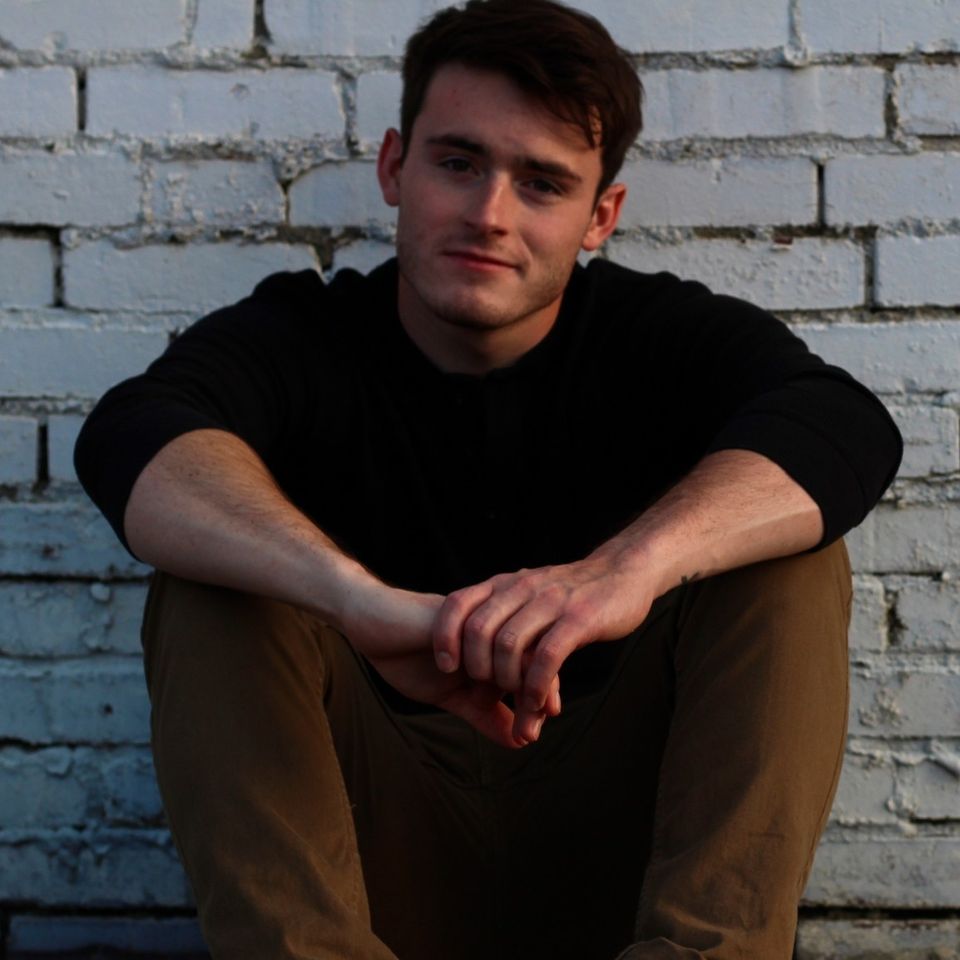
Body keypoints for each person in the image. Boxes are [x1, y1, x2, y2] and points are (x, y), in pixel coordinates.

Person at [75, 1, 902, 958]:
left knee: (790, 561)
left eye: (542, 183)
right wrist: (357, 600)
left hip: (622, 863)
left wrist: (622, 572)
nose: (489, 214)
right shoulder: (302, 337)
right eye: (458, 163)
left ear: (601, 217)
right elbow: (134, 439)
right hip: (371, 862)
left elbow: (843, 425)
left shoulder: (658, 336)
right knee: (213, 579)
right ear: (395, 166)